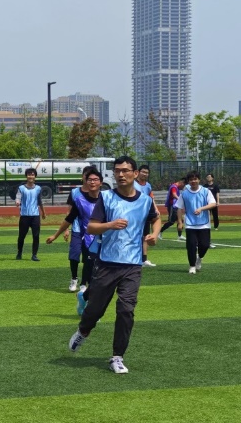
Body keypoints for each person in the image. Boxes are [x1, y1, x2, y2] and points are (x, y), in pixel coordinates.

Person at [68, 155, 160, 374]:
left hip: (132, 265)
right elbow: (91, 227)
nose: (120, 174)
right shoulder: (107, 197)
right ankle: (83, 331)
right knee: (95, 310)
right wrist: (110, 224)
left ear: (135, 174)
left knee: (126, 310)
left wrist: (154, 234)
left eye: (125, 170)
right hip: (107, 263)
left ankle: (117, 357)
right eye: (117, 170)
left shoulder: (145, 200)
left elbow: (156, 218)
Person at [46, 167, 102, 304]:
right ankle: (80, 286)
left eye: (95, 179)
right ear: (85, 180)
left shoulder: (107, 199)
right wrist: (56, 235)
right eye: (89, 179)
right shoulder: (79, 200)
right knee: (81, 259)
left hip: (103, 238)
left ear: (101, 182)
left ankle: (85, 289)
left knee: (98, 270)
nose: (92, 182)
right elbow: (69, 218)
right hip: (85, 236)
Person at [176, 170, 216, 274]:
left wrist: (201, 208)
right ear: (188, 181)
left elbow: (213, 204)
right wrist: (180, 222)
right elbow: (179, 208)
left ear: (199, 180)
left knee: (205, 245)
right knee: (191, 246)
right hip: (190, 224)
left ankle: (200, 257)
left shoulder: (206, 191)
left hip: (204, 224)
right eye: (191, 179)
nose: (193, 181)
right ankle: (192, 266)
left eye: (195, 179)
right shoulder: (184, 194)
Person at [62, 166, 94, 292]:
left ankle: (84, 283)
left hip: (91, 231)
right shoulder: (75, 192)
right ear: (83, 177)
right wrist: (66, 229)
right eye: (86, 175)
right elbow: (69, 212)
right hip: (76, 229)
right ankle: (74, 278)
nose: (89, 179)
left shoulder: (97, 193)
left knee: (88, 258)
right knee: (74, 254)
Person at [15, 168, 47, 261]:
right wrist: (17, 201)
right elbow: (18, 197)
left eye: (32, 174)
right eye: (29, 174)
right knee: (21, 236)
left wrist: (43, 212)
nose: (30, 176)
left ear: (35, 176)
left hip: (35, 215)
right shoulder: (21, 188)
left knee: (36, 236)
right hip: (24, 215)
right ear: (26, 176)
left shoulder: (38, 188)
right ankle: (19, 252)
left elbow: (40, 201)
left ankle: (34, 255)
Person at [133, 164, 160, 267]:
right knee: (135, 236)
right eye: (143, 172)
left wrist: (156, 209)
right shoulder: (133, 184)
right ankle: (135, 258)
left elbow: (151, 198)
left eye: (147, 173)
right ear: (138, 172)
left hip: (146, 213)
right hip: (135, 214)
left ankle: (144, 259)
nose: (145, 174)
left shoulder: (148, 185)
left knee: (145, 236)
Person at [204, 174, 220, 249]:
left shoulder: (215, 186)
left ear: (212, 178)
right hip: (207, 204)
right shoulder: (205, 186)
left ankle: (216, 226)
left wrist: (218, 201)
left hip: (213, 203)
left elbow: (217, 194)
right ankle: (207, 225)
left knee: (215, 215)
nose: (208, 178)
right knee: (207, 215)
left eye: (209, 177)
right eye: (207, 177)